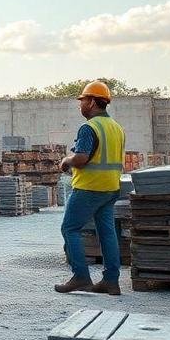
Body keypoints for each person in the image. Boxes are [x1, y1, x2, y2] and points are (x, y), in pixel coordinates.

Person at [55, 81, 125, 296]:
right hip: (111, 187)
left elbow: (82, 157)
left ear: (93, 102)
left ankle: (81, 277)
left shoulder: (89, 127)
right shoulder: (116, 128)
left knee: (70, 229)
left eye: (83, 100)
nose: (81, 104)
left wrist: (67, 160)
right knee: (107, 233)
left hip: (89, 188)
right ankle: (111, 281)